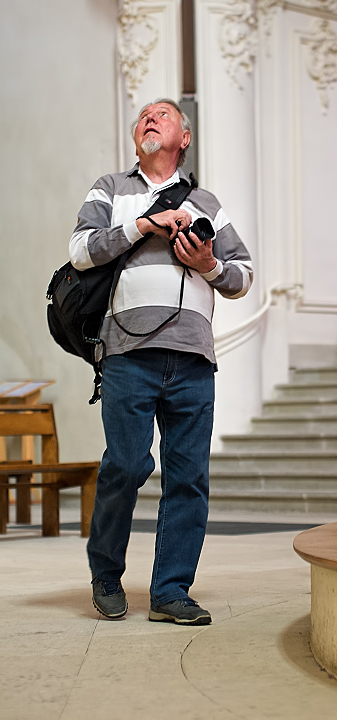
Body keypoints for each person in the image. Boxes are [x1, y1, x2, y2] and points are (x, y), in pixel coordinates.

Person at [69, 98, 253, 623]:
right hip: (127, 353)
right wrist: (143, 227)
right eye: (144, 115)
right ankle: (106, 575)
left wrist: (209, 263)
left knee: (189, 477)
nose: (151, 118)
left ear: (185, 138)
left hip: (193, 357)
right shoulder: (111, 188)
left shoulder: (206, 202)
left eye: (164, 114)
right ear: (136, 136)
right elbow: (80, 249)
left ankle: (171, 590)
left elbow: (243, 277)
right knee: (125, 465)